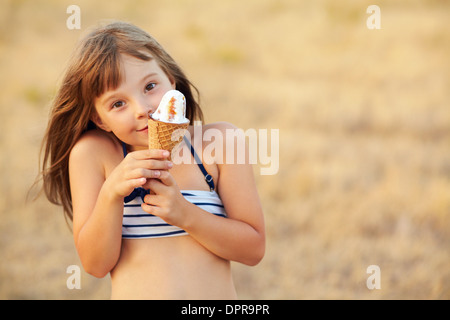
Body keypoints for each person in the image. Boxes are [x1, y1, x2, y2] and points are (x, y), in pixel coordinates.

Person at [39, 21, 265, 299]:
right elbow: (96, 265)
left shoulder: (219, 142)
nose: (142, 109)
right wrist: (111, 192)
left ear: (171, 81)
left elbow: (253, 250)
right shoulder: (94, 154)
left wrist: (185, 214)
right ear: (99, 118)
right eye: (118, 104)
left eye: (150, 86)